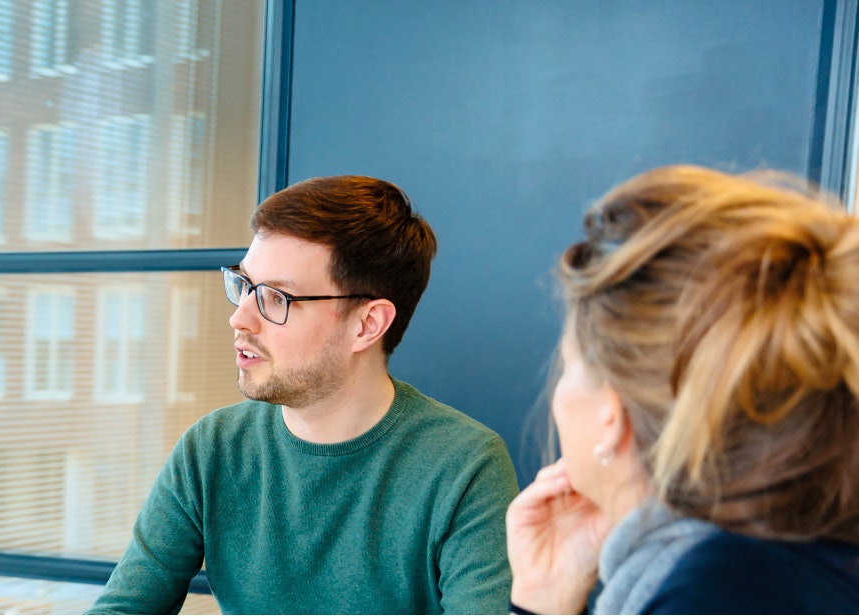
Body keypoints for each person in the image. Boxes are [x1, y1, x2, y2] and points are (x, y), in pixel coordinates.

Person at [91, 176, 519, 614]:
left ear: (367, 325)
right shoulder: (213, 448)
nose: (240, 318)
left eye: (276, 298)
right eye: (244, 285)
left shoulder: (465, 466)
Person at [507, 166, 859, 614]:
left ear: (610, 415)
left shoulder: (708, 592)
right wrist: (546, 595)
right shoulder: (801, 558)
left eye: (570, 366)